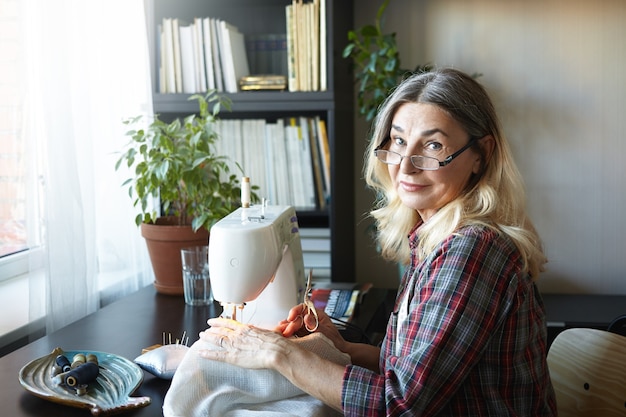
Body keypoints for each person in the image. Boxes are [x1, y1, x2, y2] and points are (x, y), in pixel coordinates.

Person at [198, 68, 557, 416]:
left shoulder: (472, 250)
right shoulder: (435, 236)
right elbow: (408, 371)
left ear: (481, 155)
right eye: (399, 141)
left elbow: (397, 405)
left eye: (433, 145)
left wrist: (278, 352)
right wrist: (341, 348)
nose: (405, 166)